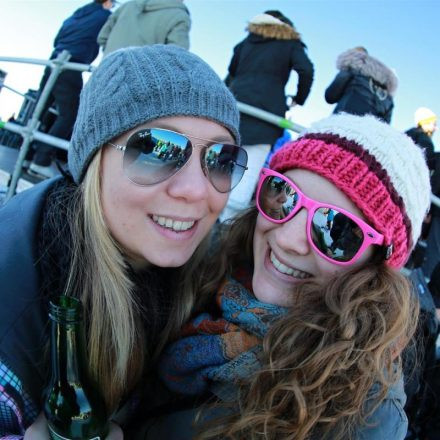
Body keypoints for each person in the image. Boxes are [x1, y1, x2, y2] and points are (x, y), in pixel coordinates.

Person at [0, 44, 247, 438]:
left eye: (220, 158)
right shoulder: (15, 304)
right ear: (93, 162)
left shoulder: (211, 270)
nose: (197, 191)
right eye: (156, 149)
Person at [143, 113, 431, 440]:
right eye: (283, 195)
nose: (287, 240)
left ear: (375, 267)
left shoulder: (364, 417)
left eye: (335, 231)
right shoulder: (201, 271)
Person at [221, 10, 314, 221]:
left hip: (237, 105)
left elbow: (232, 69)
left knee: (222, 162)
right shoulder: (290, 42)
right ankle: (226, 226)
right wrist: (299, 98)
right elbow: (306, 70)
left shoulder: (248, 40)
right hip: (267, 112)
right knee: (248, 170)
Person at [29, 0, 114, 179]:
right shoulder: (105, 16)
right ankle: (40, 161)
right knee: (70, 115)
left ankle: (28, 155)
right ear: (107, 2)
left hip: (53, 62)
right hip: (71, 64)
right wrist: (89, 57)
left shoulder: (76, 14)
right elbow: (104, 39)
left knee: (41, 109)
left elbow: (57, 39)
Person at [325, 47, 397, 123]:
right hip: (369, 134)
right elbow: (385, 125)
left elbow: (330, 97)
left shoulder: (351, 69)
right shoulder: (387, 94)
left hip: (342, 126)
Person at [97, 0, 191, 56]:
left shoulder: (128, 6)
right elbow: (177, 56)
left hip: (105, 75)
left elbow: (102, 37)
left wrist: (111, 54)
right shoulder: (180, 16)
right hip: (144, 82)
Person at [405, 107, 437, 172]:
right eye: (434, 124)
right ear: (425, 122)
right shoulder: (420, 137)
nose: (436, 128)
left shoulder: (411, 134)